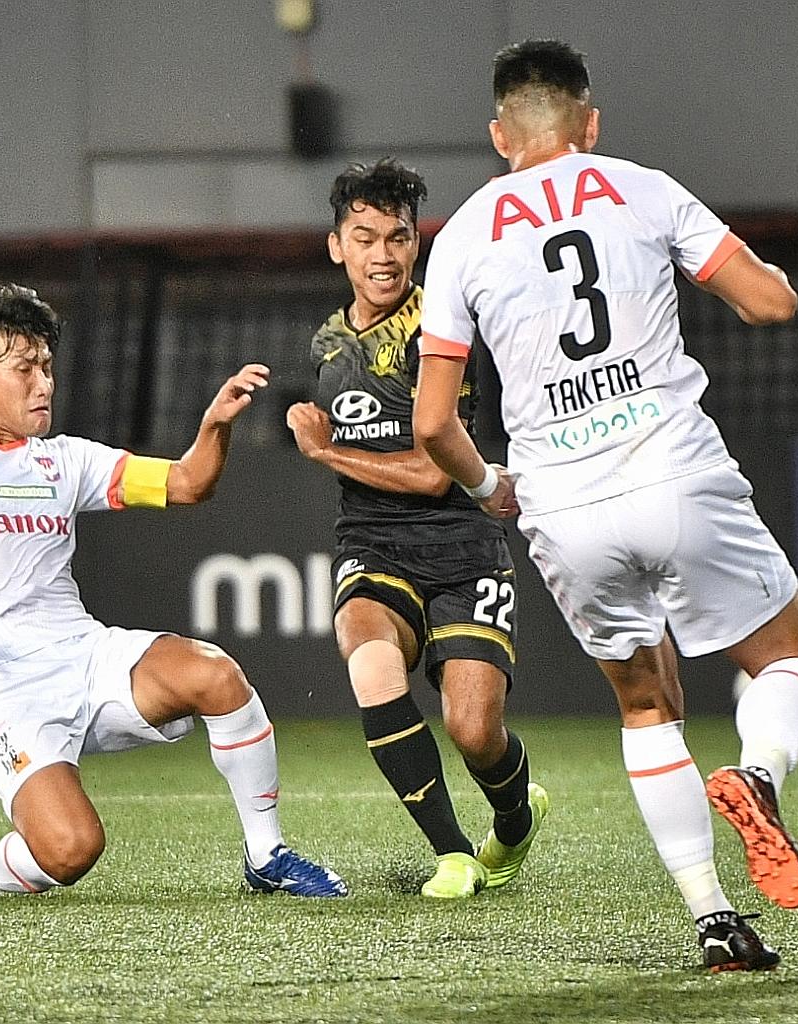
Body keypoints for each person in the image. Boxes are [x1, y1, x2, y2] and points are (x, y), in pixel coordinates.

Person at [413, 40, 798, 971]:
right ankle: (758, 775)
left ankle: (715, 921)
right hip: (675, 471)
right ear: (589, 123)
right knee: (787, 656)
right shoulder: (642, 187)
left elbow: (436, 420)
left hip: (563, 503)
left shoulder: (468, 232)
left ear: (498, 134)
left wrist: (489, 487)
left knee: (647, 705)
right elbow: (772, 305)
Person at [0, 284, 346, 899]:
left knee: (216, 675)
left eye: (48, 368)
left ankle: (267, 856)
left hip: (84, 654)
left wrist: (214, 425)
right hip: (1, 686)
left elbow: (188, 484)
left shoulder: (65, 460)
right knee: (71, 850)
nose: (43, 384)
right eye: (24, 369)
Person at [285, 160, 548, 899]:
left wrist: (323, 449)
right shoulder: (327, 343)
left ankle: (516, 818)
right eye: (364, 236)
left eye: (397, 237)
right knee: (371, 664)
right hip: (371, 543)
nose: (383, 254)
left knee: (474, 733)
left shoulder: (439, 330)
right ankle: (454, 855)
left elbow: (437, 470)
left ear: (416, 243)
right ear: (337, 245)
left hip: (464, 549)